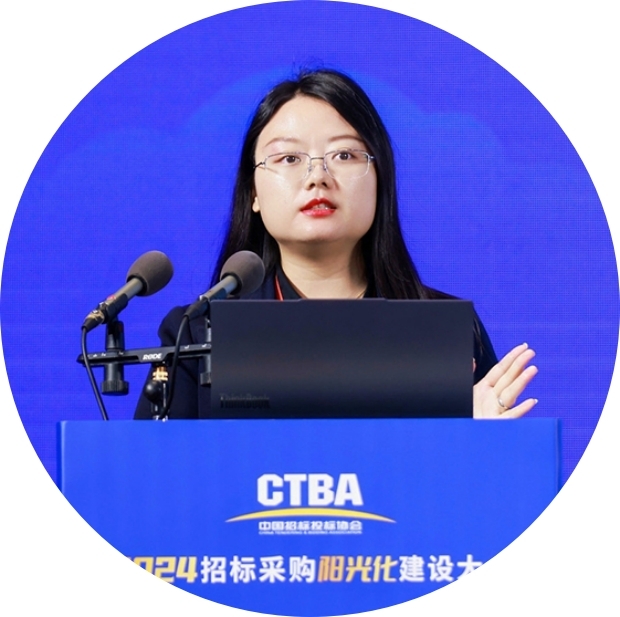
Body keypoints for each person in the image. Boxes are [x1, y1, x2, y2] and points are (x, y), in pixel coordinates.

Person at [134, 68, 537, 420]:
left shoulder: (445, 329)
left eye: (344, 155)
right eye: (288, 158)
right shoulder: (198, 334)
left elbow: (494, 476)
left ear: (380, 183)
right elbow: (156, 473)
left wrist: (478, 442)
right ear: (252, 192)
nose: (317, 177)